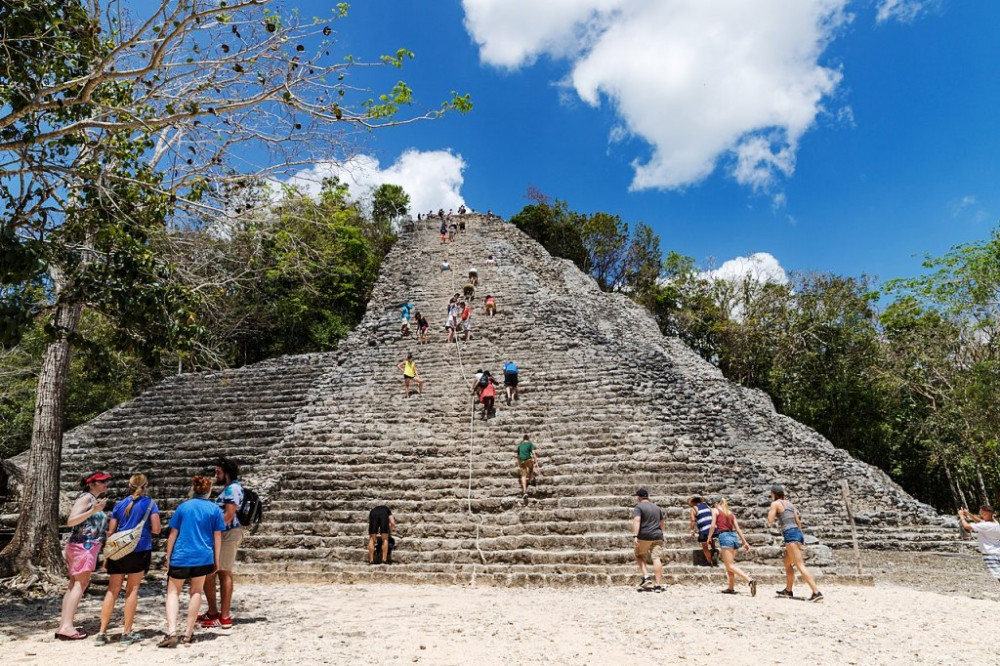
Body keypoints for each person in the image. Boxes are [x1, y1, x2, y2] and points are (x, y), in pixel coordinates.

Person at [95, 473, 161, 646]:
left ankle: (101, 633)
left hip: (118, 550)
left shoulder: (119, 505)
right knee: (132, 590)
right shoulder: (150, 505)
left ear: (129, 485)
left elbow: (111, 532)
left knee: (112, 590)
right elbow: (156, 529)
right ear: (146, 485)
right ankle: (126, 633)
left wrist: (106, 554)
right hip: (139, 550)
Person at [161, 475, 225, 647]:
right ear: (209, 490)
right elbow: (217, 537)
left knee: (173, 592)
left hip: (181, 556)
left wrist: (168, 556)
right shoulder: (214, 509)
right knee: (196, 591)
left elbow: (172, 534)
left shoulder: (183, 507)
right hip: (203, 556)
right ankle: (188, 633)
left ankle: (172, 631)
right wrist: (216, 559)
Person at [56, 472, 111, 640]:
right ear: (91, 484)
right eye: (102, 482)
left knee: (74, 584)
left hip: (82, 546)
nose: (105, 484)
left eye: (106, 481)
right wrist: (93, 510)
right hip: (83, 547)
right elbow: (71, 521)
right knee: (80, 584)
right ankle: (67, 626)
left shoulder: (91, 499)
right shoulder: (86, 499)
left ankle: (64, 625)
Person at [199, 457, 246, 630]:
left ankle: (224, 616)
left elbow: (229, 514)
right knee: (211, 573)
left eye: (218, 471)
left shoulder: (233, 488)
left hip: (228, 534)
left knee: (224, 572)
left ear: (226, 472)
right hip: (223, 534)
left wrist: (213, 532)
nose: (215, 475)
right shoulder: (228, 488)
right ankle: (213, 612)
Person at [767, 485, 822, 602]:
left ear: (774, 494)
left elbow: (770, 520)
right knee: (787, 562)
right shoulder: (790, 504)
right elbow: (798, 522)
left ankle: (816, 592)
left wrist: (773, 516)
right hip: (797, 533)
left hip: (790, 534)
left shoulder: (775, 504)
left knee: (799, 564)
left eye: (771, 494)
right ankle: (788, 590)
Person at [706, 498, 756, 596]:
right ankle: (731, 587)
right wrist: (745, 542)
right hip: (734, 537)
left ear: (715, 504)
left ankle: (750, 580)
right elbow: (737, 528)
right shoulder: (730, 513)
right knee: (730, 565)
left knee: (729, 565)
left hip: (725, 537)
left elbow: (712, 526)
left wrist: (709, 537)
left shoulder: (715, 510)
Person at [632, 488, 665, 591]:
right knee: (656, 558)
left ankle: (646, 577)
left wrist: (635, 536)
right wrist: (661, 533)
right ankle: (658, 585)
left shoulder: (638, 507)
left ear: (638, 497)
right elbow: (662, 522)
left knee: (639, 555)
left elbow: (637, 521)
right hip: (658, 535)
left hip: (644, 535)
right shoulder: (656, 507)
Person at [958, 505, 1000, 583]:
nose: (980, 514)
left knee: (998, 575)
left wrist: (962, 517)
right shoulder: (995, 523)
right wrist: (968, 514)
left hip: (990, 553)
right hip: (997, 551)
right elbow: (980, 521)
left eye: (981, 512)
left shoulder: (985, 525)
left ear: (985, 513)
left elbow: (967, 526)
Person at [687, 495, 716, 566]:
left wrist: (692, 530)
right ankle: (713, 550)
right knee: (711, 537)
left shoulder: (694, 508)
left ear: (693, 503)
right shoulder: (706, 505)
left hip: (704, 529)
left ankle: (709, 562)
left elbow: (692, 520)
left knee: (705, 546)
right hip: (713, 527)